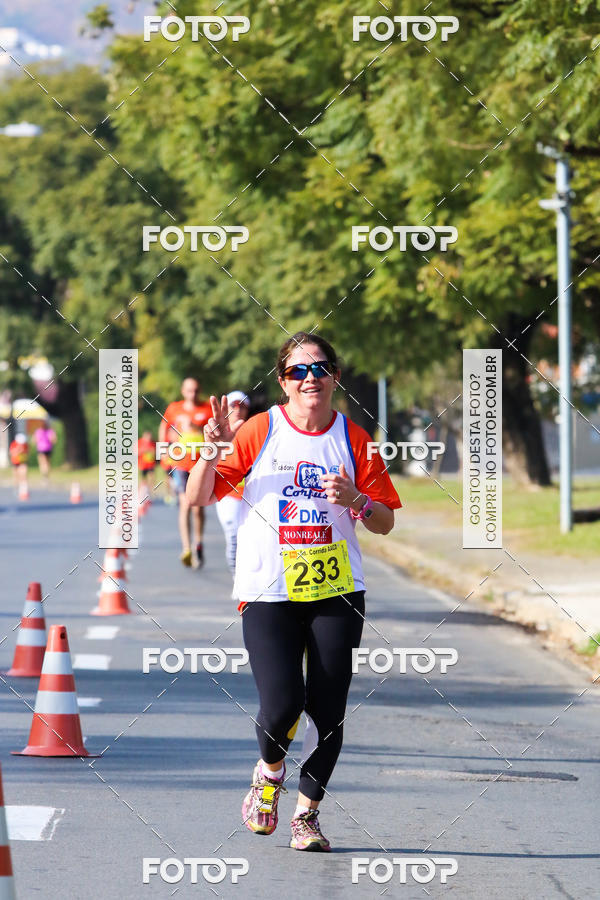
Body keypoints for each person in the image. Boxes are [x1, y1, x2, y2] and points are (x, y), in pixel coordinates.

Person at [187, 332, 401, 852]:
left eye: (321, 368)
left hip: (337, 589)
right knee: (282, 703)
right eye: (299, 371)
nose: (312, 379)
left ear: (336, 376)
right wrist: (210, 454)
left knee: (328, 711)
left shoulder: (354, 438)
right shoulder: (260, 430)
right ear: (283, 381)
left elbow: (385, 522)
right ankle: (269, 771)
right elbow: (196, 497)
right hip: (268, 589)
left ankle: (307, 815)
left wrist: (356, 500)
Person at [159, 378, 212, 568]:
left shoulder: (207, 409)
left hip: (200, 465)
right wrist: (164, 449)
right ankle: (186, 548)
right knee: (185, 505)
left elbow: (214, 432)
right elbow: (164, 426)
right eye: (189, 390)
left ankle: (198, 543)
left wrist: (197, 428)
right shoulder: (174, 408)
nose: (193, 394)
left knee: (198, 507)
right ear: (183, 391)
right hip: (180, 464)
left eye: (196, 390)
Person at [215, 391, 250, 590]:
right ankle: (238, 579)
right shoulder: (218, 432)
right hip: (228, 495)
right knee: (234, 536)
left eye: (242, 405)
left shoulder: (257, 430)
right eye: (234, 405)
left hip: (252, 495)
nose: (238, 409)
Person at [137, 430, 157, 494]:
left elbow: (156, 452)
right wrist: (145, 450)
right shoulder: (140, 442)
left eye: (150, 437)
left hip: (151, 464)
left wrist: (153, 451)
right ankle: (140, 493)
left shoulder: (153, 443)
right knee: (143, 479)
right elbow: (136, 452)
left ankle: (150, 493)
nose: (149, 438)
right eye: (147, 437)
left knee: (152, 478)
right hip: (143, 465)